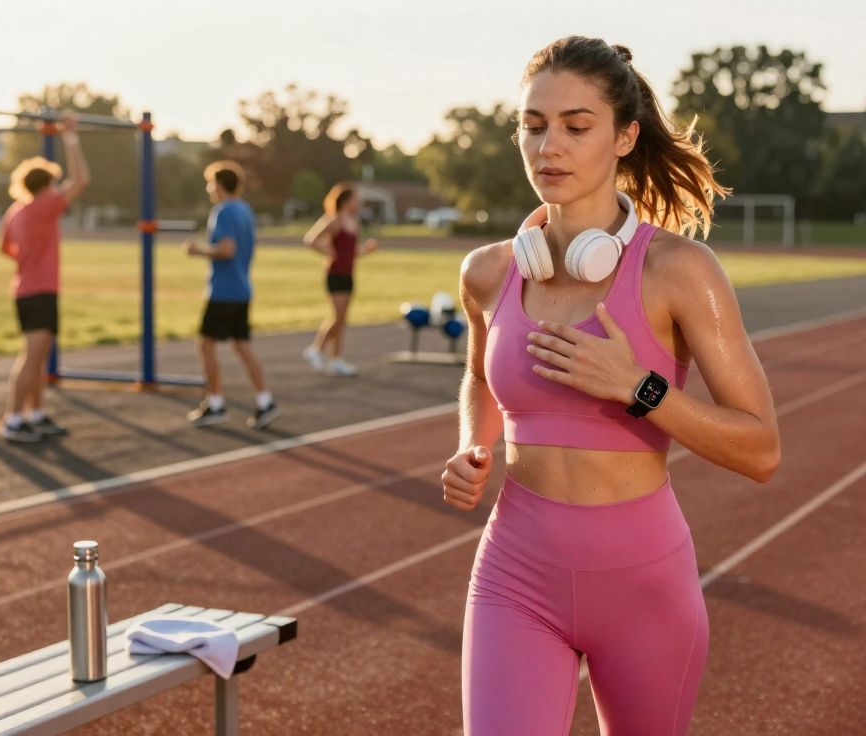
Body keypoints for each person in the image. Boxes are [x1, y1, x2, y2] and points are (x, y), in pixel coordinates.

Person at [442, 37, 780, 735]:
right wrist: (473, 446)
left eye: (576, 125)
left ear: (625, 136)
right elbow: (479, 376)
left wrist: (640, 387)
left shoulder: (680, 272)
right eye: (533, 126)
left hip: (643, 586)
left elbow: (761, 449)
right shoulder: (488, 271)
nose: (549, 147)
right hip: (515, 575)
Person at [0, 113, 89, 443]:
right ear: (46, 186)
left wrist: (27, 258)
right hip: (39, 290)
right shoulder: (42, 207)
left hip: (27, 288)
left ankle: (34, 414)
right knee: (32, 357)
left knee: (38, 357)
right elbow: (80, 181)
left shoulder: (16, 211)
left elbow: (4, 246)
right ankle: (13, 419)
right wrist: (71, 137)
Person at [184, 161, 279, 429]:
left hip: (224, 289)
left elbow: (227, 249)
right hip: (242, 287)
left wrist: (198, 251)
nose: (208, 188)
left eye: (210, 183)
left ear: (219, 184)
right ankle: (265, 400)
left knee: (205, 345)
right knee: (242, 345)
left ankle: (215, 403)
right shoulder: (245, 210)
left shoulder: (223, 211)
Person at [301, 183, 378, 376]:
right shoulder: (334, 220)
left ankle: (336, 359)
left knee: (342, 318)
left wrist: (366, 250)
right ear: (345, 201)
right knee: (337, 316)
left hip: (348, 273)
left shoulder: (354, 223)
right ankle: (316, 349)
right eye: (355, 199)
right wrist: (327, 251)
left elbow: (352, 253)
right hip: (334, 273)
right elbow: (310, 239)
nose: (358, 203)